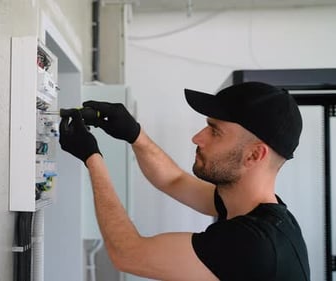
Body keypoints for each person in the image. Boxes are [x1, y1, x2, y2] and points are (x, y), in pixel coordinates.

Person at [59, 81, 310, 280]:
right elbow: (175, 180)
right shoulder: (259, 211)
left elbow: (127, 254)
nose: (197, 138)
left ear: (254, 154)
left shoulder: (255, 245)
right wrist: (134, 133)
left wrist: (91, 157)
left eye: (214, 131)